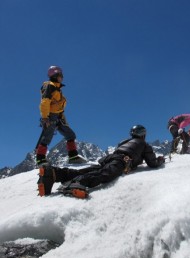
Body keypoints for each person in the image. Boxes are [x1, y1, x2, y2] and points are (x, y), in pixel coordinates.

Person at [37, 125, 165, 198]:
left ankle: (54, 173)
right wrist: (160, 160)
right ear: (143, 134)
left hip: (110, 157)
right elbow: (152, 163)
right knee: (106, 174)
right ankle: (77, 182)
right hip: (121, 160)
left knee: (91, 170)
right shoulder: (144, 144)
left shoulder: (125, 141)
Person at [35, 65, 86, 166]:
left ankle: (73, 157)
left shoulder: (57, 88)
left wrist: (61, 116)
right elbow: (45, 102)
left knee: (70, 135)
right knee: (47, 137)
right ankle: (40, 160)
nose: (62, 77)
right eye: (60, 75)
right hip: (50, 116)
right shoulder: (49, 86)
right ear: (55, 75)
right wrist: (45, 117)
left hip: (59, 116)